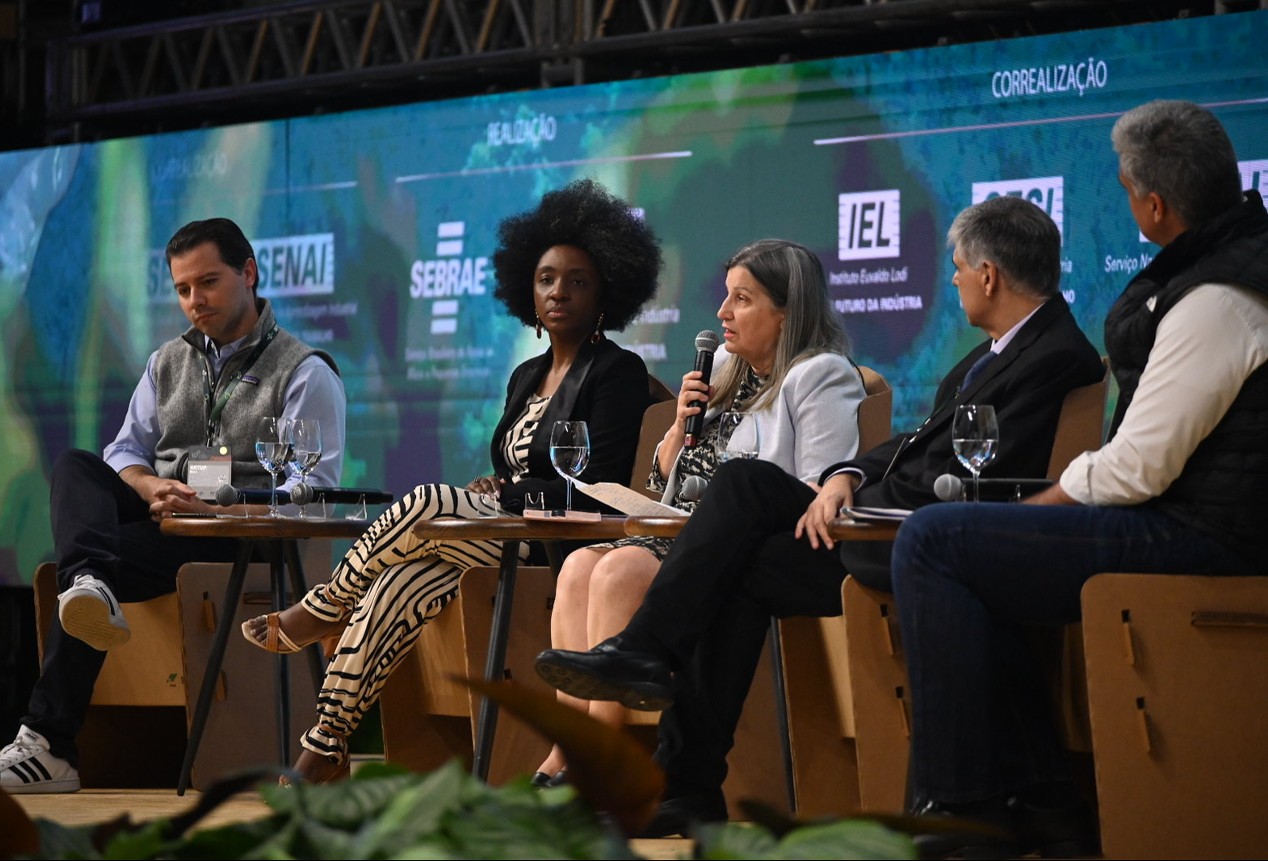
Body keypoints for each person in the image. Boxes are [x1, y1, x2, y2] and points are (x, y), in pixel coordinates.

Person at [534, 194, 1104, 835]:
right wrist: (847, 475)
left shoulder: (1056, 356)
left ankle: (644, 650)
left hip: (912, 536)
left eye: (958, 268)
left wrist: (847, 486)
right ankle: (687, 787)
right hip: (866, 514)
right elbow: (914, 444)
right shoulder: (986, 356)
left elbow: (988, 477)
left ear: (990, 275)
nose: (954, 280)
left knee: (745, 485)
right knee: (736, 569)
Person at [887, 100, 1268, 859]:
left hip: (1201, 532)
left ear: (1153, 205)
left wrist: (1046, 503)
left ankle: (964, 815)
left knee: (936, 543)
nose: (1128, 204)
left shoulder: (1219, 298)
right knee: (968, 551)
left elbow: (1137, 465)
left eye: (1127, 191)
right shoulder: (1223, 272)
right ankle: (1044, 796)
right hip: (1198, 516)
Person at [237, 178, 664, 784]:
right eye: (546, 279)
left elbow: (595, 483)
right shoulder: (525, 374)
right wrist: (496, 484)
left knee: (427, 501)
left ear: (605, 294)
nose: (558, 292)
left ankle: (325, 605)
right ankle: (325, 746)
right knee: (398, 585)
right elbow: (517, 463)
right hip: (499, 534)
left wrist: (507, 493)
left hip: (560, 544)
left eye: (577, 280)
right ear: (527, 291)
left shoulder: (619, 372)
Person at [0, 217, 347, 793]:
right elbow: (125, 449)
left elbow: (313, 492)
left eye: (208, 283)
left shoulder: (305, 371)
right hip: (164, 521)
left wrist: (222, 513)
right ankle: (92, 588)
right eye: (182, 289)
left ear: (249, 273)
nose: (194, 301)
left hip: (231, 541)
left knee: (87, 561)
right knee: (79, 466)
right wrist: (151, 487)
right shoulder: (166, 361)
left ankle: (48, 745)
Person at [530, 239, 865, 787]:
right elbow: (666, 486)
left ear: (786, 311)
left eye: (743, 299)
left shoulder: (819, 375)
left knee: (613, 570)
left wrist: (717, 515)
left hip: (727, 548)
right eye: (726, 296)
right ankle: (565, 750)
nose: (722, 314)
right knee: (576, 567)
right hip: (674, 529)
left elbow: (813, 490)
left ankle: (603, 759)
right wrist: (677, 432)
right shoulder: (724, 371)